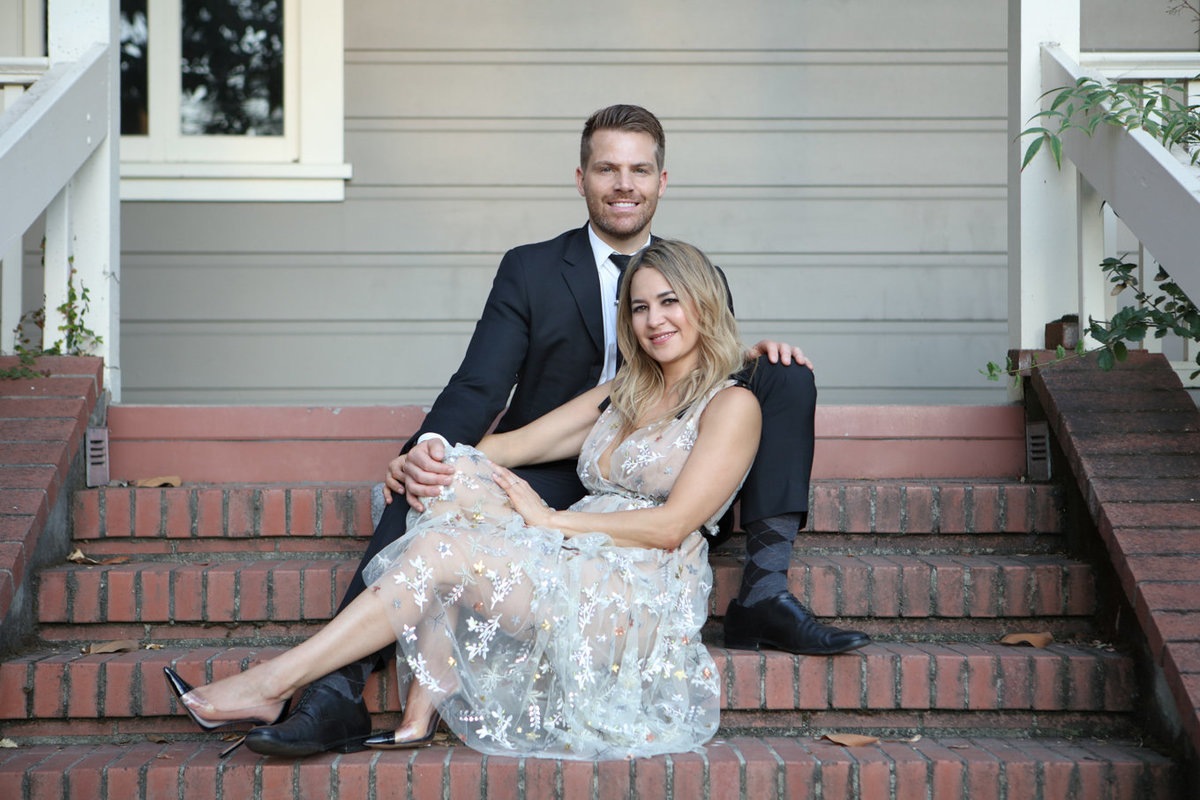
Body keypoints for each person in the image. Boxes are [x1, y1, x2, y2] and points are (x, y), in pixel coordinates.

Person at [242, 104, 869, 758]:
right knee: (435, 482)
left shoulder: (690, 274)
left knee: (785, 372)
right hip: (555, 462)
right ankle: (338, 690)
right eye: (607, 169)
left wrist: (753, 353)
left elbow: (706, 369)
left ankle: (765, 589)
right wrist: (424, 455)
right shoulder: (532, 268)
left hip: (652, 488)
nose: (623, 183)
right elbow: (479, 387)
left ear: (661, 182)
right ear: (581, 178)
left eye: (639, 170)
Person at [166, 240, 761, 759]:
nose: (654, 319)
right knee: (453, 477)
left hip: (638, 590)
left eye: (669, 301)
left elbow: (671, 525)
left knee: (447, 551)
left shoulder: (731, 405)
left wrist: (546, 518)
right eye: (640, 306)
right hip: (578, 551)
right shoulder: (622, 392)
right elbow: (506, 446)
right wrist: (422, 459)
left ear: (704, 304)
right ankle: (418, 709)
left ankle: (271, 685)